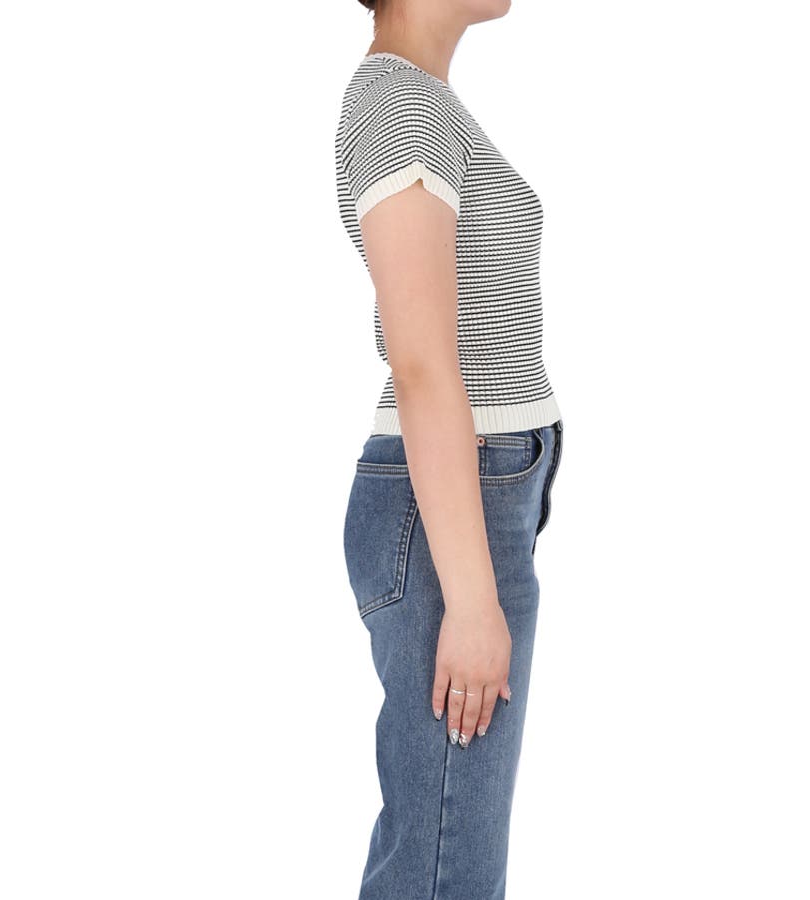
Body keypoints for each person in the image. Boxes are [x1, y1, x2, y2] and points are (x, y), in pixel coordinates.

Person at [335, 1, 564, 896]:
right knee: (445, 865)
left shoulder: (420, 98)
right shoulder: (400, 104)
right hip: (449, 515)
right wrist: (470, 602)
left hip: (468, 500)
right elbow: (424, 365)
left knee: (446, 847)